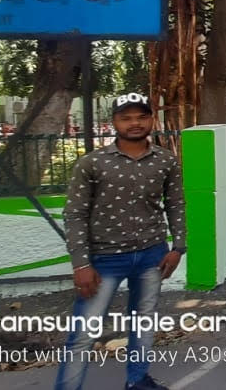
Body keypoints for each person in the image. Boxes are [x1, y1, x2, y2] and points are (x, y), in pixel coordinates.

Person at [56, 93, 184, 390]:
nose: (134, 123)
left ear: (151, 120)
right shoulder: (92, 163)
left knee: (143, 321)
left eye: (141, 117)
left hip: (152, 254)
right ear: (114, 122)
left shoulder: (166, 160)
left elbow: (176, 204)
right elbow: (74, 214)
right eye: (126, 118)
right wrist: (81, 264)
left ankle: (137, 380)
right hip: (105, 259)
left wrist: (178, 246)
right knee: (84, 333)